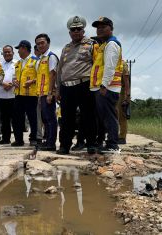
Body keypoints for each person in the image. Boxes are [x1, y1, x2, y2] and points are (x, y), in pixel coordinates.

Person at [56, 16, 98, 155]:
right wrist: (57, 89)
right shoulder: (66, 48)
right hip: (67, 87)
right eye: (73, 29)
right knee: (67, 119)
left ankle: (91, 144)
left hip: (85, 85)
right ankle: (64, 146)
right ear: (69, 32)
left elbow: (97, 66)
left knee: (88, 116)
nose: (76, 31)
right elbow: (60, 69)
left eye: (79, 29)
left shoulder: (92, 44)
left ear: (83, 30)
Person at [90, 17, 123, 153]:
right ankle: (109, 142)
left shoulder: (111, 44)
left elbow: (110, 67)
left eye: (103, 27)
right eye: (98, 27)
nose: (100, 29)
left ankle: (113, 144)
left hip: (108, 87)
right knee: (105, 117)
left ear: (111, 28)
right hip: (104, 87)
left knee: (109, 117)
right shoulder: (104, 45)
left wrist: (103, 85)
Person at [12, 40, 38, 147]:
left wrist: (31, 81)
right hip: (18, 94)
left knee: (32, 117)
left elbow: (40, 76)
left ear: (25, 48)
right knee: (17, 118)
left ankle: (33, 138)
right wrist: (14, 82)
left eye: (19, 49)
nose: (18, 51)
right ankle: (19, 140)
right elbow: (14, 77)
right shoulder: (18, 63)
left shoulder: (35, 61)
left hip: (31, 95)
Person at [35, 33, 59, 151]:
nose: (40, 45)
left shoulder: (51, 56)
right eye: (38, 44)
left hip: (48, 93)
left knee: (50, 118)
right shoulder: (40, 59)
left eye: (42, 43)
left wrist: (50, 93)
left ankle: (51, 143)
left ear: (48, 43)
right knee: (45, 119)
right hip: (42, 93)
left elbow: (52, 74)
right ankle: (47, 141)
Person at [0, 45, 15, 144]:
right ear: (3, 54)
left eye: (9, 52)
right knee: (4, 119)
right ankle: (5, 139)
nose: (7, 54)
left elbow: (20, 77)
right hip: (2, 95)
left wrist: (11, 84)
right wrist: (3, 84)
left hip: (14, 95)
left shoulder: (17, 64)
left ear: (13, 53)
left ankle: (18, 139)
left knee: (15, 119)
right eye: (5, 52)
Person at [117, 60, 130, 144]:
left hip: (121, 91)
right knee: (115, 115)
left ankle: (122, 137)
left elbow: (126, 80)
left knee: (122, 116)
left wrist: (127, 96)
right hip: (113, 90)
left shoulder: (123, 63)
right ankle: (116, 136)